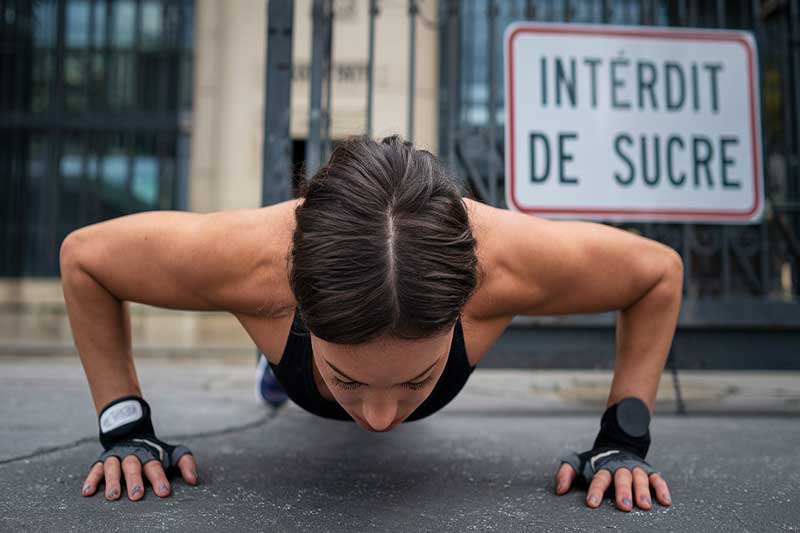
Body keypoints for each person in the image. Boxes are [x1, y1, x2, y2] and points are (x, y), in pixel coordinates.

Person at [60, 135, 681, 512]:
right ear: (290, 296)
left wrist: (622, 440)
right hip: (287, 346)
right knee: (304, 374)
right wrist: (126, 428)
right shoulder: (246, 262)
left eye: (415, 382)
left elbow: (657, 274)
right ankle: (282, 368)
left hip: (312, 340)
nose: (380, 421)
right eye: (349, 381)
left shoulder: (513, 263)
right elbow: (85, 260)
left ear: (471, 300)